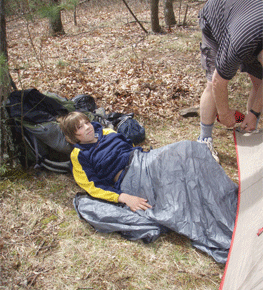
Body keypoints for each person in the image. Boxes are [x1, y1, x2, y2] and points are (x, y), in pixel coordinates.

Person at [58, 111, 238, 263]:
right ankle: (220, 230)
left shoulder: (106, 132)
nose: (87, 127)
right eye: (80, 128)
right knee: (177, 189)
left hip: (144, 159)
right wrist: (124, 197)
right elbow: (92, 187)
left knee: (189, 150)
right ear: (73, 137)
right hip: (131, 179)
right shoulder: (79, 155)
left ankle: (226, 199)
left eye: (86, 122)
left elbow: (129, 147)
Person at [198, 0, 263, 160]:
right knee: (212, 81)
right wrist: (225, 113)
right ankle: (204, 139)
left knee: (259, 81)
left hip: (248, 15)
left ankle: (249, 129)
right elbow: (219, 82)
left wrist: (254, 113)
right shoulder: (240, 42)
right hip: (218, 15)